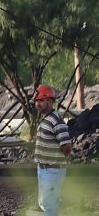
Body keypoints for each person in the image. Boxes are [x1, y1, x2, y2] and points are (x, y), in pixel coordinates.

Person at [32, 85, 72, 216]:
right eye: (36, 101)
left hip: (52, 169)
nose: (37, 104)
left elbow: (66, 146)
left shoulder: (56, 120)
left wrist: (57, 161)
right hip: (45, 169)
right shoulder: (47, 119)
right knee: (45, 203)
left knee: (49, 205)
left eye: (41, 101)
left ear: (50, 101)